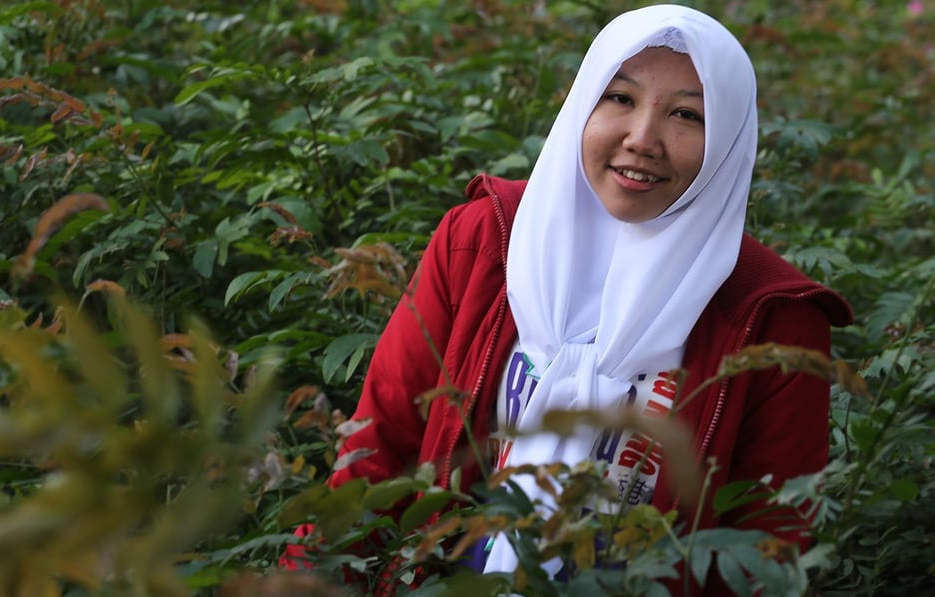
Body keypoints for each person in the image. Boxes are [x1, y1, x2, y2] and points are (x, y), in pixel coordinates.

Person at [282, 4, 852, 594]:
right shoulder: (485, 242)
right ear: (582, 104)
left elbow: (764, 549)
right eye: (620, 99)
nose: (642, 139)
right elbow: (377, 455)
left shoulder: (773, 317)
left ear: (730, 139)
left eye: (686, 114)